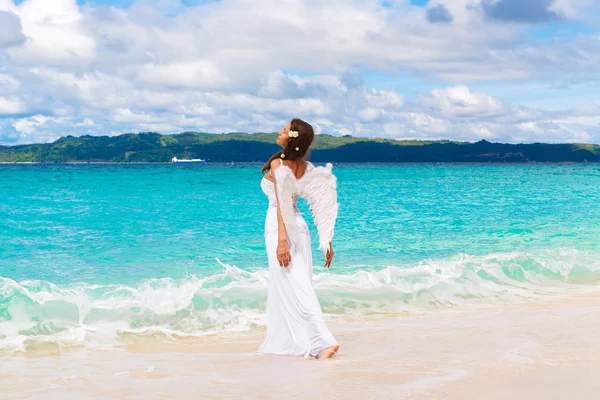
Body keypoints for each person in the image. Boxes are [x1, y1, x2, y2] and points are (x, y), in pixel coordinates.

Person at [258, 118, 340, 360]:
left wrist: (282, 241)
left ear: (291, 138)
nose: (279, 132)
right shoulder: (306, 167)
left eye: (283, 130)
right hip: (300, 229)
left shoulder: (278, 164)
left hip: (281, 228)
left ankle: (323, 342)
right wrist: (327, 240)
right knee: (297, 285)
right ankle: (305, 341)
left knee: (297, 287)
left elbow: (283, 203)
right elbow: (323, 202)